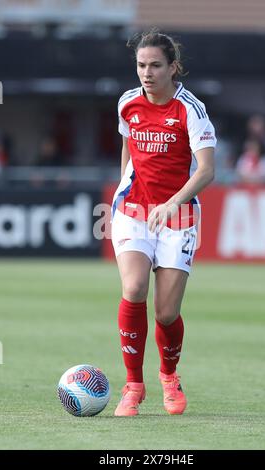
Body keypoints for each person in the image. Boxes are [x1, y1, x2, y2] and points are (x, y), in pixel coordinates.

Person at [111, 30, 216, 417]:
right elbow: (128, 147)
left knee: (166, 313)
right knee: (134, 286)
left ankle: (168, 376)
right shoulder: (127, 103)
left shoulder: (191, 109)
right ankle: (133, 386)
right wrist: (125, 186)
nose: (147, 73)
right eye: (141, 65)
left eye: (155, 65)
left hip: (179, 216)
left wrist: (172, 203)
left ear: (173, 67)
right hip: (133, 211)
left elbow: (207, 170)